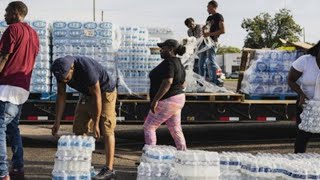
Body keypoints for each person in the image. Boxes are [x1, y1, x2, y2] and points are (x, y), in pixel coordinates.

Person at [51, 56, 117, 180]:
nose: (64, 81)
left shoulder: (87, 70)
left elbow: (97, 96)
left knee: (106, 127)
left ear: (72, 68)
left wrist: (96, 123)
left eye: (66, 78)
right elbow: (61, 95)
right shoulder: (60, 71)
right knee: (79, 127)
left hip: (105, 92)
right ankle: (82, 164)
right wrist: (57, 122)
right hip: (86, 93)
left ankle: (109, 169)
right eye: (61, 79)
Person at [0, 1, 39, 180]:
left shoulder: (12, 30)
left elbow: (4, 56)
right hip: (23, 87)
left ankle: (2, 172)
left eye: (7, 12)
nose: (4, 15)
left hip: (7, 86)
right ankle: (18, 168)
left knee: (0, 127)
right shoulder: (34, 34)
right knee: (13, 128)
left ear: (15, 13)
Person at [144, 39, 187, 150]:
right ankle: (182, 154)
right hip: (178, 98)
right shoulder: (179, 63)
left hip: (168, 99)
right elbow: (182, 84)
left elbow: (168, 81)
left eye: (163, 48)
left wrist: (155, 100)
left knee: (149, 126)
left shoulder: (169, 62)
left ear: (171, 49)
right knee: (175, 128)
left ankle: (151, 156)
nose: (161, 50)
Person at [288, 41, 320, 153]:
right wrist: (301, 94)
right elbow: (291, 80)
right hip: (306, 105)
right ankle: (298, 162)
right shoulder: (305, 61)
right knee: (303, 135)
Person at [199, 0, 225, 84]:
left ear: (213, 7)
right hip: (205, 43)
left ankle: (215, 81)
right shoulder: (209, 18)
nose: (207, 8)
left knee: (211, 61)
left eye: (208, 6)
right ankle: (201, 82)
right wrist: (203, 30)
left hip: (213, 42)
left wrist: (209, 34)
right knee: (201, 62)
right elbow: (206, 30)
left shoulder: (219, 16)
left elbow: (223, 30)